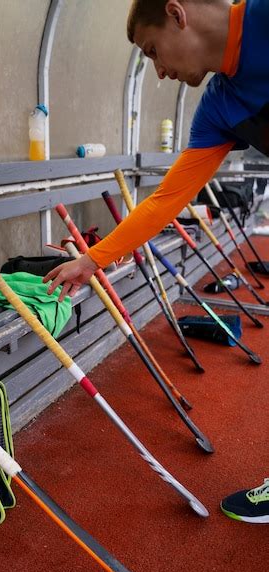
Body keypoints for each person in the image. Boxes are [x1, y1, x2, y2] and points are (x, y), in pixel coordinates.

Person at [43, 0, 269, 523]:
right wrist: (92, 261)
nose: (159, 70)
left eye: (152, 51)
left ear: (177, 13)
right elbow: (167, 201)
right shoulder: (219, 107)